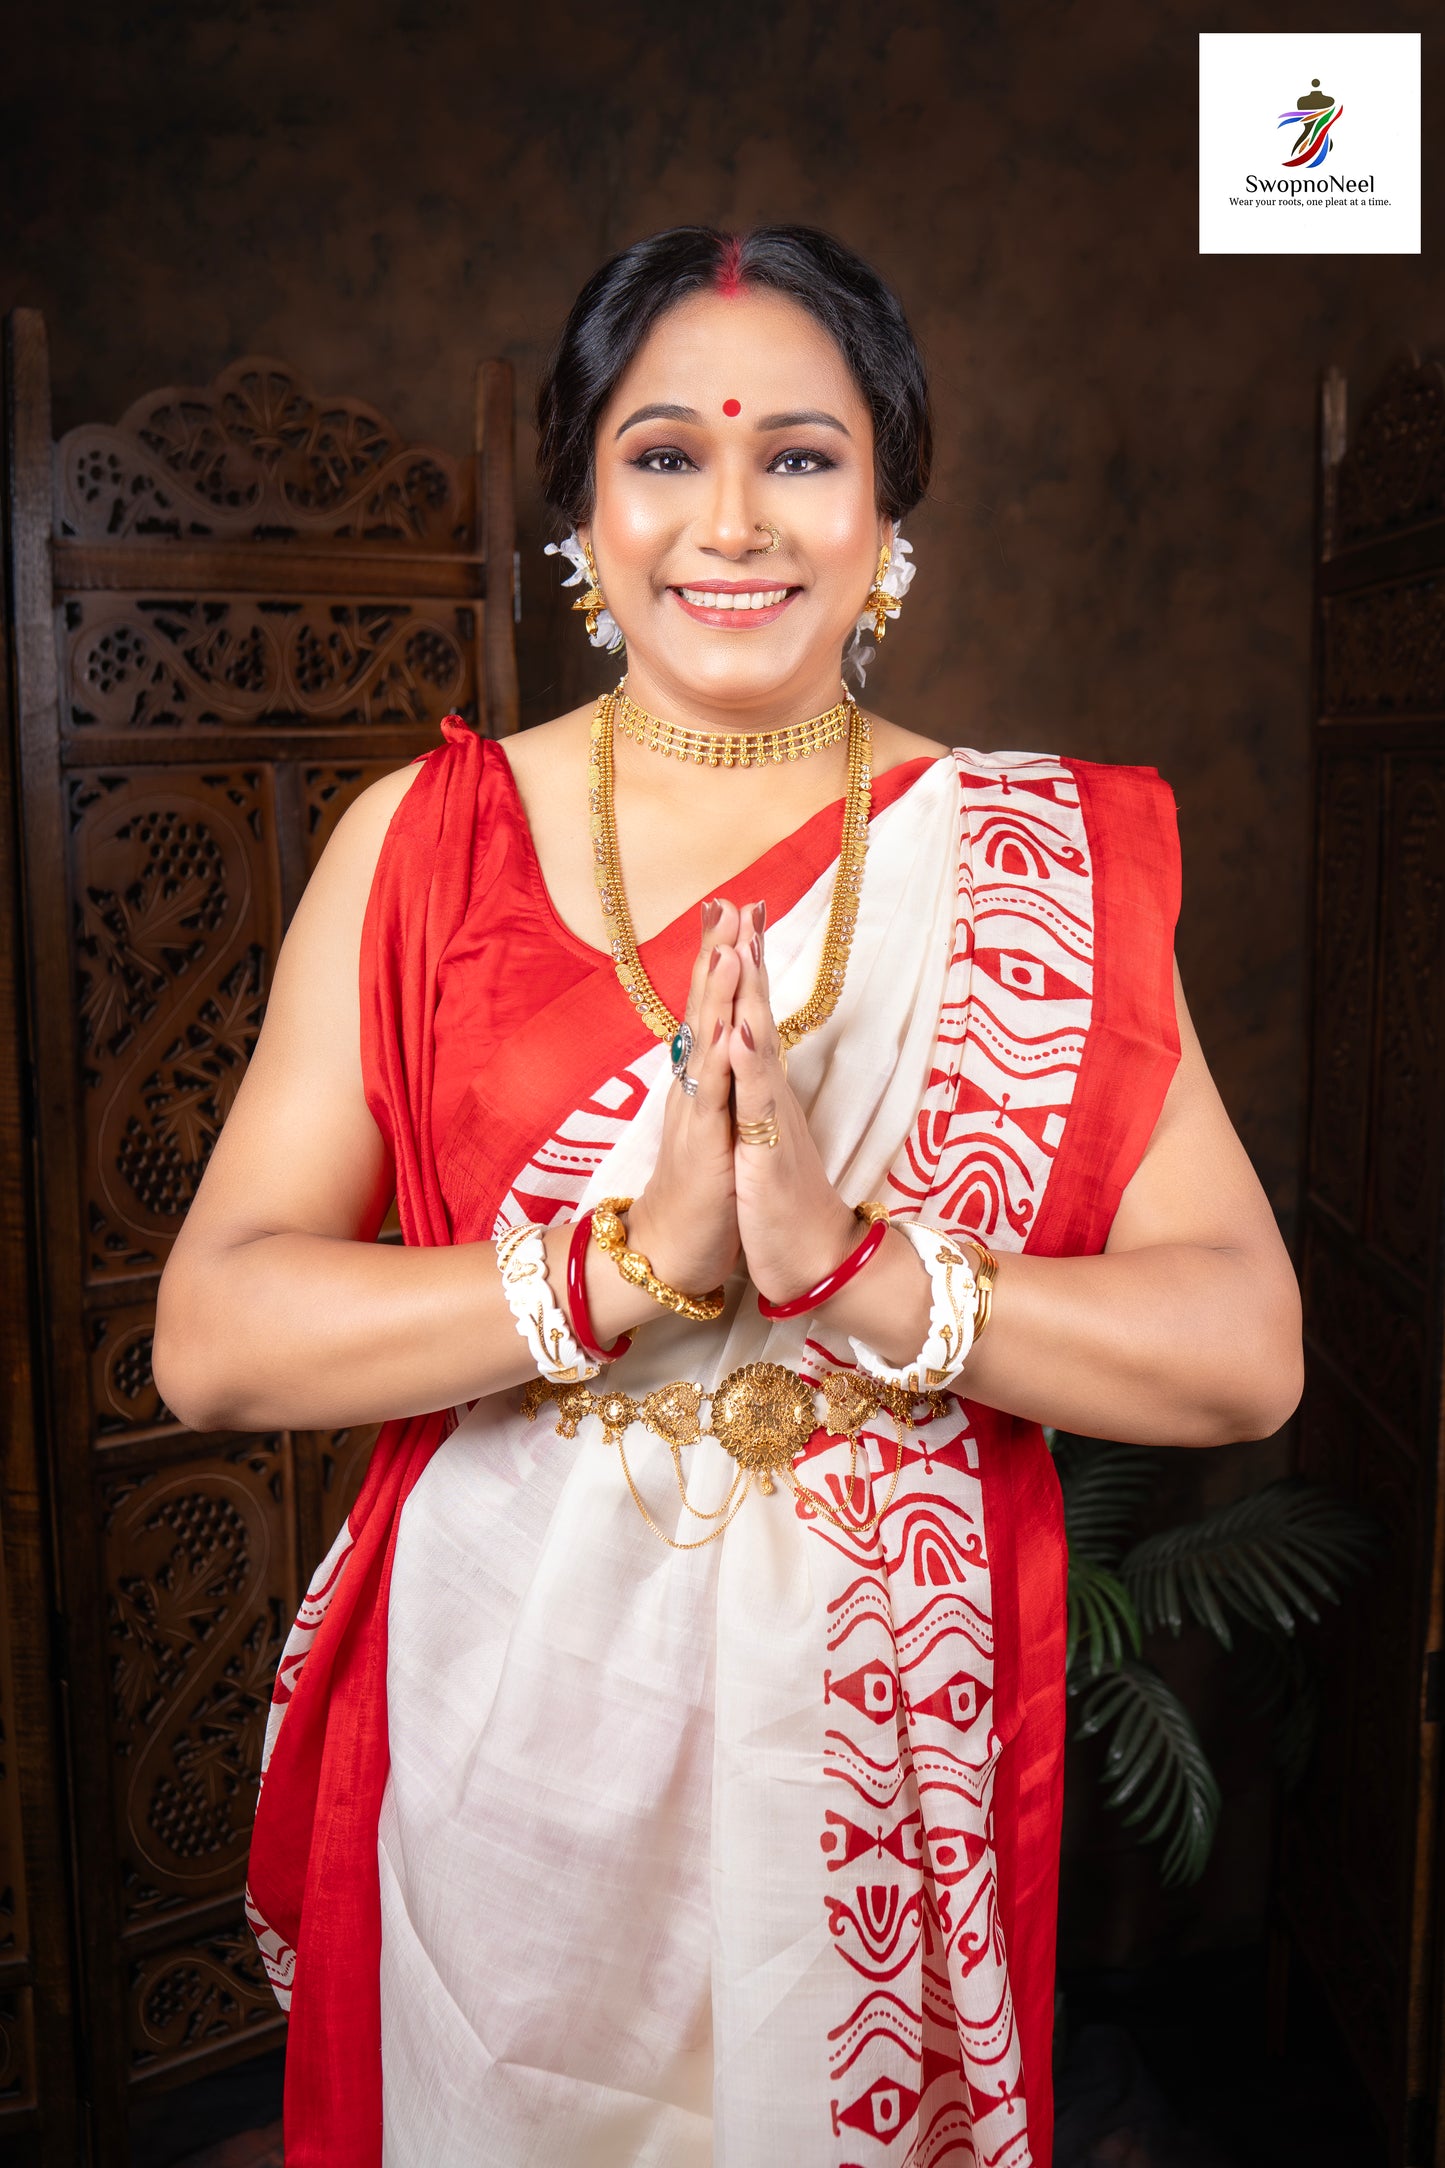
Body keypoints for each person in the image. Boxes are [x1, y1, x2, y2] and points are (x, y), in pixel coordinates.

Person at [152, 224, 1303, 2168]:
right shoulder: (425, 843)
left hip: (868, 1769)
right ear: (581, 513)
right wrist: (618, 1267)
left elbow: (1242, 1352)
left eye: (805, 454)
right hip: (508, 1737)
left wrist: (854, 1274)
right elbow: (215, 1333)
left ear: (890, 513)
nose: (734, 517)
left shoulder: (1038, 857)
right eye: (667, 451)